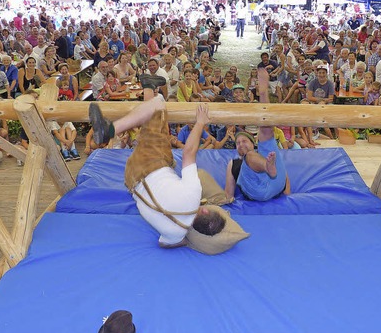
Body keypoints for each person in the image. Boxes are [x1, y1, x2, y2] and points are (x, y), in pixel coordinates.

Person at [89, 75, 228, 248]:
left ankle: (108, 131)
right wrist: (189, 240)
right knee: (156, 126)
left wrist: (200, 123)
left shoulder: (193, 195)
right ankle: (148, 86)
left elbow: (189, 153)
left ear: (206, 210)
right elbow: (165, 244)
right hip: (134, 180)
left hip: (149, 165)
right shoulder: (176, 234)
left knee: (158, 105)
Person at [224, 68, 290, 202]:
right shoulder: (234, 163)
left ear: (253, 143)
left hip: (275, 184)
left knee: (266, 132)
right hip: (255, 190)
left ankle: (263, 94)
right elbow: (228, 192)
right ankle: (266, 167)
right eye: (238, 143)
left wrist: (288, 199)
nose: (241, 144)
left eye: (244, 141)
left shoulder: (265, 152)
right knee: (251, 156)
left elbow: (285, 176)